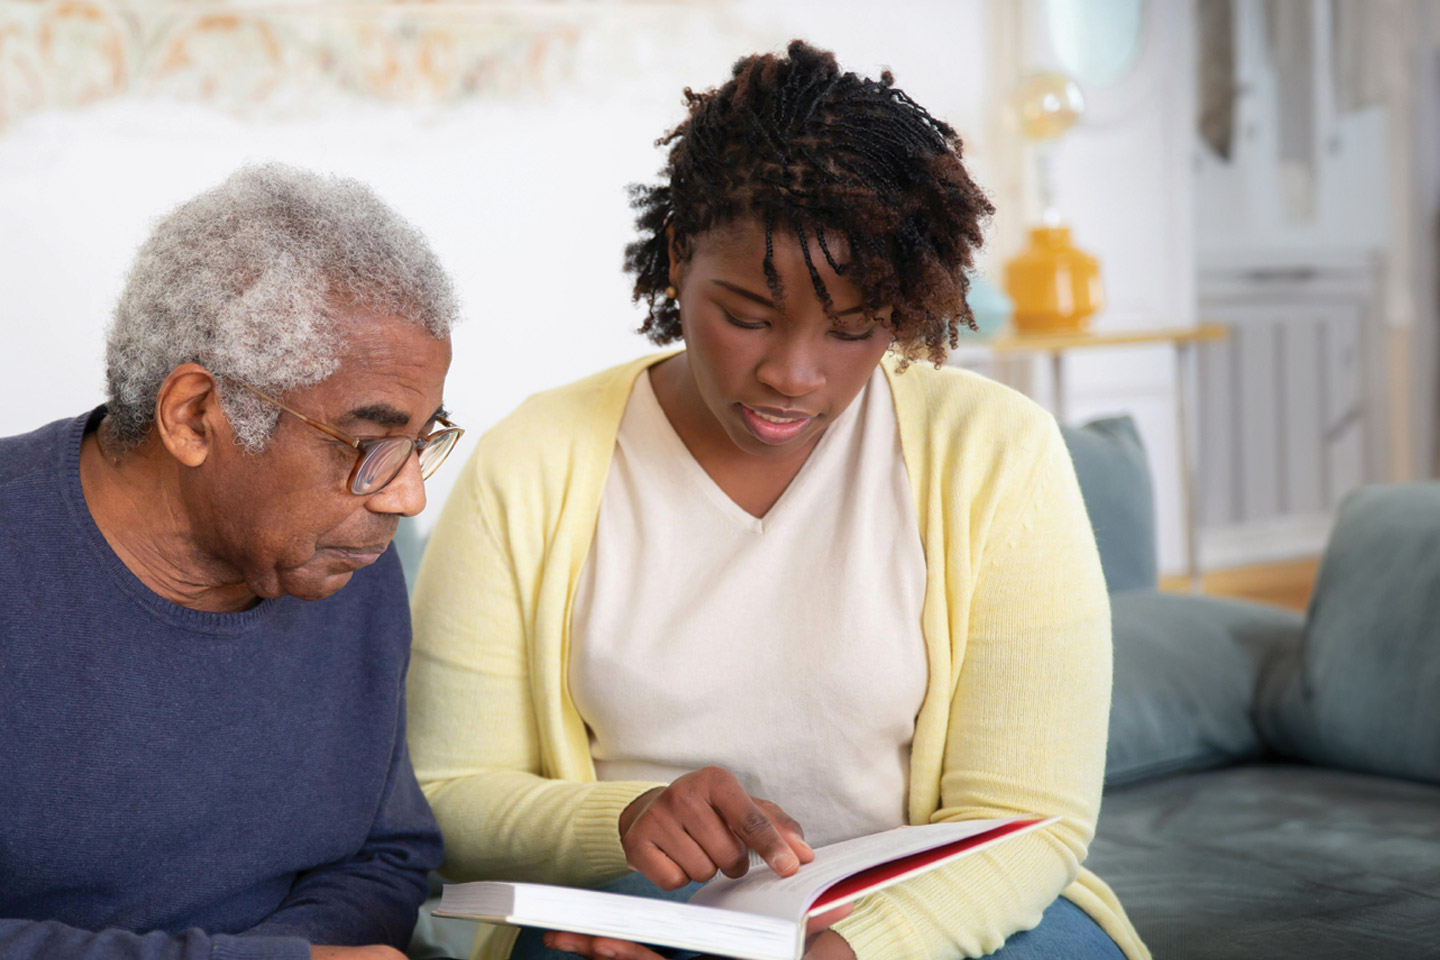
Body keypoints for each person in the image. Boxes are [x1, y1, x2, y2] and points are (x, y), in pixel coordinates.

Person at [407, 42, 1148, 960]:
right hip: (644, 914)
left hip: (937, 912)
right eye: (747, 317)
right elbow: (449, 794)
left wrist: (855, 949)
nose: (794, 375)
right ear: (677, 257)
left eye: (853, 329)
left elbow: (1026, 819)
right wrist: (623, 820)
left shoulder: (996, 454)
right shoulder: (531, 463)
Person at [0, 164, 459, 960]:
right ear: (193, 416)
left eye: (422, 441)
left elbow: (383, 855)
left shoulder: (348, 559)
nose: (407, 496)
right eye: (371, 443)